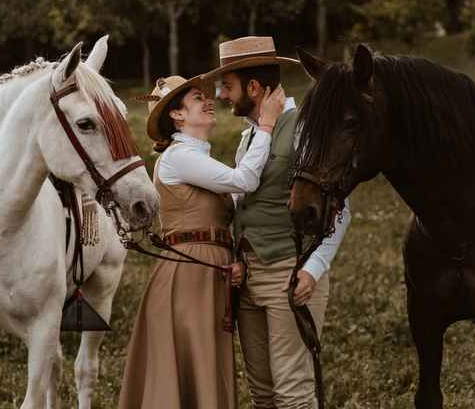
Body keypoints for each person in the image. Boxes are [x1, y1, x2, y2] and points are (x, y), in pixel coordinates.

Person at [202, 36, 352, 408]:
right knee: (263, 394)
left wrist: (314, 268)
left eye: (228, 87)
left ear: (253, 87)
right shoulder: (249, 136)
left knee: (293, 394)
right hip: (250, 278)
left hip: (290, 272)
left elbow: (341, 207)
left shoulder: (302, 128)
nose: (222, 96)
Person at [118, 74, 285, 409]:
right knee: (190, 357)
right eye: (197, 98)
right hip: (188, 273)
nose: (210, 100)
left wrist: (233, 256)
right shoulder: (179, 156)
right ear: (177, 115)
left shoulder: (201, 160)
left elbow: (231, 211)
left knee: (207, 359)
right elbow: (245, 180)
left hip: (210, 269)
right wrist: (266, 126)